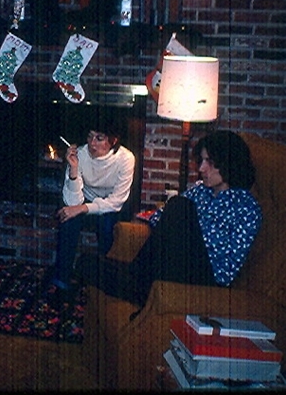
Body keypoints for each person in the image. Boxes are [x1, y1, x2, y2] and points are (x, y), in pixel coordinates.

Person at [76, 130, 262, 307]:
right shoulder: (201, 191)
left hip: (205, 278)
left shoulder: (246, 207)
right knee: (87, 262)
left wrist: (186, 234)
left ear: (228, 164)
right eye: (201, 160)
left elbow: (226, 272)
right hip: (172, 266)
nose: (201, 168)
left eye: (210, 162)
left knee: (178, 204)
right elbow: (161, 217)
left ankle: (138, 282)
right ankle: (139, 281)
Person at [48, 121, 136, 293]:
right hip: (84, 199)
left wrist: (81, 209)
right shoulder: (80, 154)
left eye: (99, 138)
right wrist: (73, 169)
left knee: (107, 225)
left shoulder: (126, 159)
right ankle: (61, 281)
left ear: (113, 140)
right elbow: (72, 201)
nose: (92, 143)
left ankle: (107, 282)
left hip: (110, 205)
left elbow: (116, 201)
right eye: (90, 136)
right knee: (68, 221)